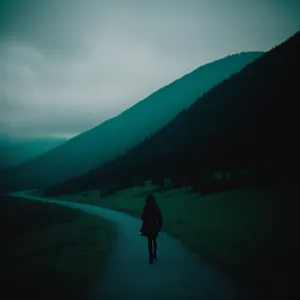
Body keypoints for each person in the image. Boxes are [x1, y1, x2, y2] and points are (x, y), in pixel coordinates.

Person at [140, 194, 163, 264]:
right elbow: (160, 218)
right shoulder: (156, 207)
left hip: (148, 226)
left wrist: (146, 220)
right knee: (154, 240)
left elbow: (142, 217)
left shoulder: (146, 207)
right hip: (154, 226)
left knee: (149, 241)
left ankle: (150, 256)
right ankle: (154, 252)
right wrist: (159, 226)